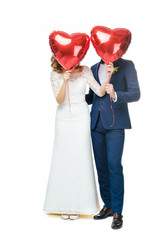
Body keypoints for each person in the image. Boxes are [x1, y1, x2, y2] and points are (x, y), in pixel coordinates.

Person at [43, 56, 109, 220]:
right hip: (63, 119)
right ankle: (64, 204)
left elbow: (99, 91)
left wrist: (108, 75)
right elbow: (59, 100)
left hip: (81, 118)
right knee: (63, 158)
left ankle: (80, 205)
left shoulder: (85, 70)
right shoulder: (54, 74)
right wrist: (65, 80)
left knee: (80, 157)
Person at [85, 58, 140, 229]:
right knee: (101, 166)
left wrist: (116, 94)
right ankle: (107, 205)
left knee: (114, 165)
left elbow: (136, 93)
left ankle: (117, 211)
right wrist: (73, 89)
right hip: (96, 124)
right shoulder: (93, 67)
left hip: (116, 124)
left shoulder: (127, 65)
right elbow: (91, 97)